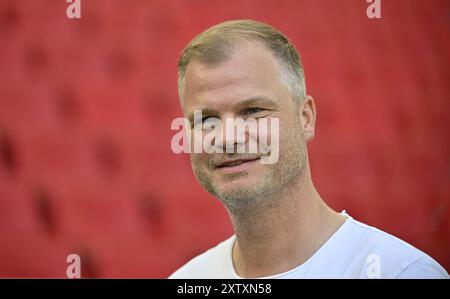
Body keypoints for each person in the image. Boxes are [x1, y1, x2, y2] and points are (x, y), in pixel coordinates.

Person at [169, 19, 448, 279]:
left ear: (306, 118)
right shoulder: (189, 279)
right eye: (206, 119)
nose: (227, 138)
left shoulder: (400, 272)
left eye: (253, 110)